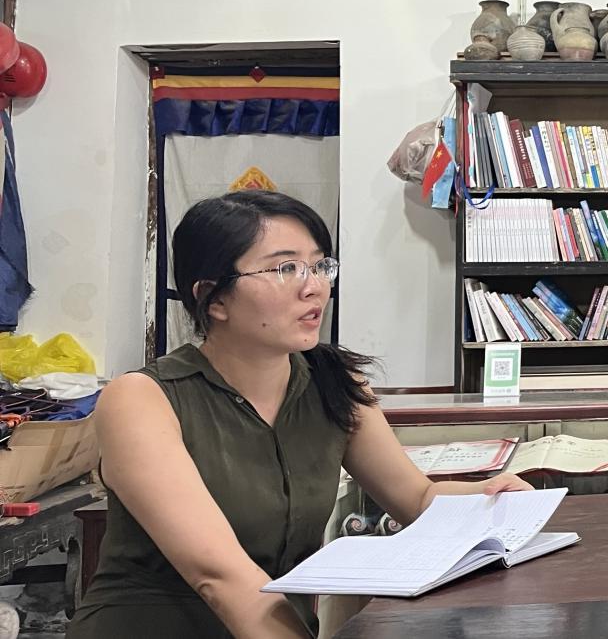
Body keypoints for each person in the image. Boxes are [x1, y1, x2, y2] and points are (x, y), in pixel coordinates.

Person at [69, 190, 534, 639]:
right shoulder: (143, 399)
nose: (314, 287)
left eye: (319, 265)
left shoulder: (336, 385)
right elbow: (218, 575)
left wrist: (485, 498)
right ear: (214, 298)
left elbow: (415, 499)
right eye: (285, 268)